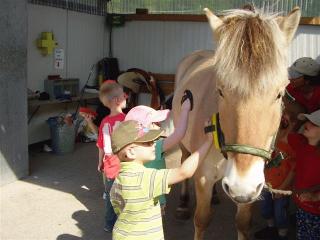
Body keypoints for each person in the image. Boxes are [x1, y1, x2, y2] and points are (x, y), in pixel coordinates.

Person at [109, 120, 212, 240]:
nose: (154, 144)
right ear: (131, 152)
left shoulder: (118, 180)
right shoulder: (146, 178)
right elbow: (184, 171)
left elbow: (118, 207)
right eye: (147, 143)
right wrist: (208, 141)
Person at [123, 99, 191, 214]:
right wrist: (185, 110)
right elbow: (179, 134)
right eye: (154, 123)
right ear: (144, 129)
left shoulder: (131, 150)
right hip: (155, 201)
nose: (159, 125)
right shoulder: (155, 147)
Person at [254, 102, 304, 240]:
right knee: (265, 209)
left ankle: (282, 234)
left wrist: (281, 189)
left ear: (293, 123)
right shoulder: (272, 136)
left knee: (280, 214)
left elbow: (293, 171)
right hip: (267, 183)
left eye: (285, 118)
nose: (281, 119)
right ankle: (270, 228)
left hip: (282, 187)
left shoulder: (295, 143)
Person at [96, 80, 127, 232]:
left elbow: (101, 145)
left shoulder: (104, 122)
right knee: (125, 197)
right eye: (125, 95)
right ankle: (124, 225)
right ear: (117, 100)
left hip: (109, 166)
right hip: (124, 166)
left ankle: (109, 224)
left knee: (110, 197)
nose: (126, 97)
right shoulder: (127, 120)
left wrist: (100, 162)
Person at [287, 109, 320, 239]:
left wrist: (315, 197)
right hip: (302, 207)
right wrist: (298, 121)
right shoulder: (300, 143)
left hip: (316, 211)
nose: (308, 124)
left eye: (314, 123)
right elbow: (288, 135)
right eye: (308, 120)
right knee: (302, 235)